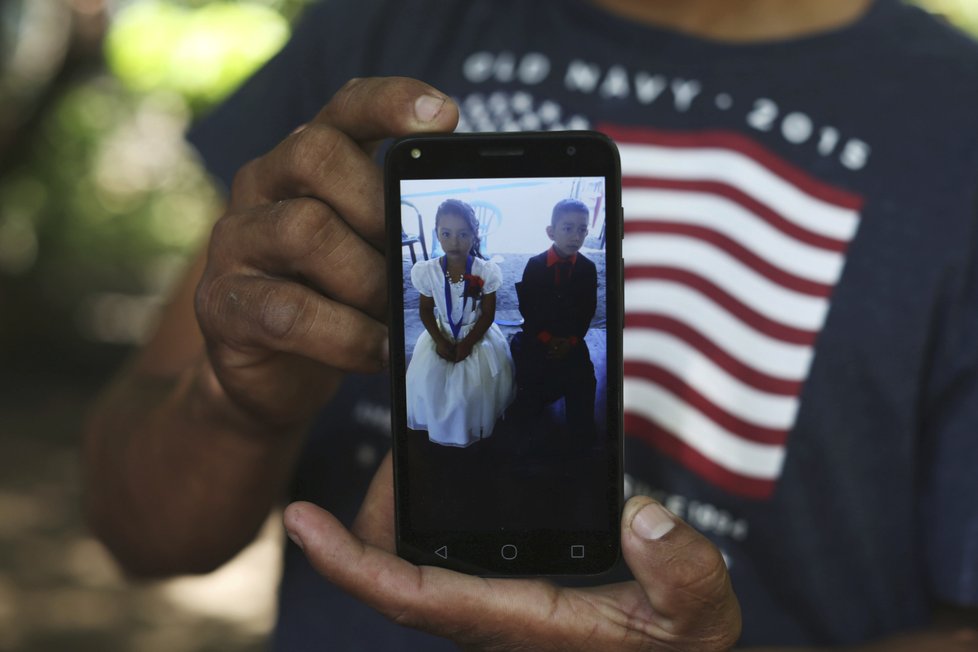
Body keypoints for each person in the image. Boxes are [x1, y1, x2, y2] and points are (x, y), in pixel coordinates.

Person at [82, 0, 978, 650]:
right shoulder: (379, 26)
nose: (564, 230)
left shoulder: (954, 116)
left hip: (531, 365)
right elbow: (141, 531)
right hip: (497, 365)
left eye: (573, 224)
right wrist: (238, 405)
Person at [406, 198, 514, 446]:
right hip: (441, 332)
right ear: (438, 234)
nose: (454, 241)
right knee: (427, 386)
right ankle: (440, 429)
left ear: (474, 236)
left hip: (476, 334)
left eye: (463, 234)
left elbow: (487, 314)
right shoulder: (428, 271)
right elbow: (425, 310)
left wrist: (467, 343)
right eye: (447, 233)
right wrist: (440, 339)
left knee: (474, 391)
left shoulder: (485, 271)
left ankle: (469, 428)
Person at [509, 198, 598, 450]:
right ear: (551, 232)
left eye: (582, 229)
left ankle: (581, 442)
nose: (576, 236)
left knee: (584, 382)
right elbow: (529, 309)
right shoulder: (535, 266)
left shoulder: (588, 269)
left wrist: (570, 341)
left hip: (571, 339)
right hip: (539, 337)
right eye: (568, 228)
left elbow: (587, 311)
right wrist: (548, 339)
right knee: (530, 390)